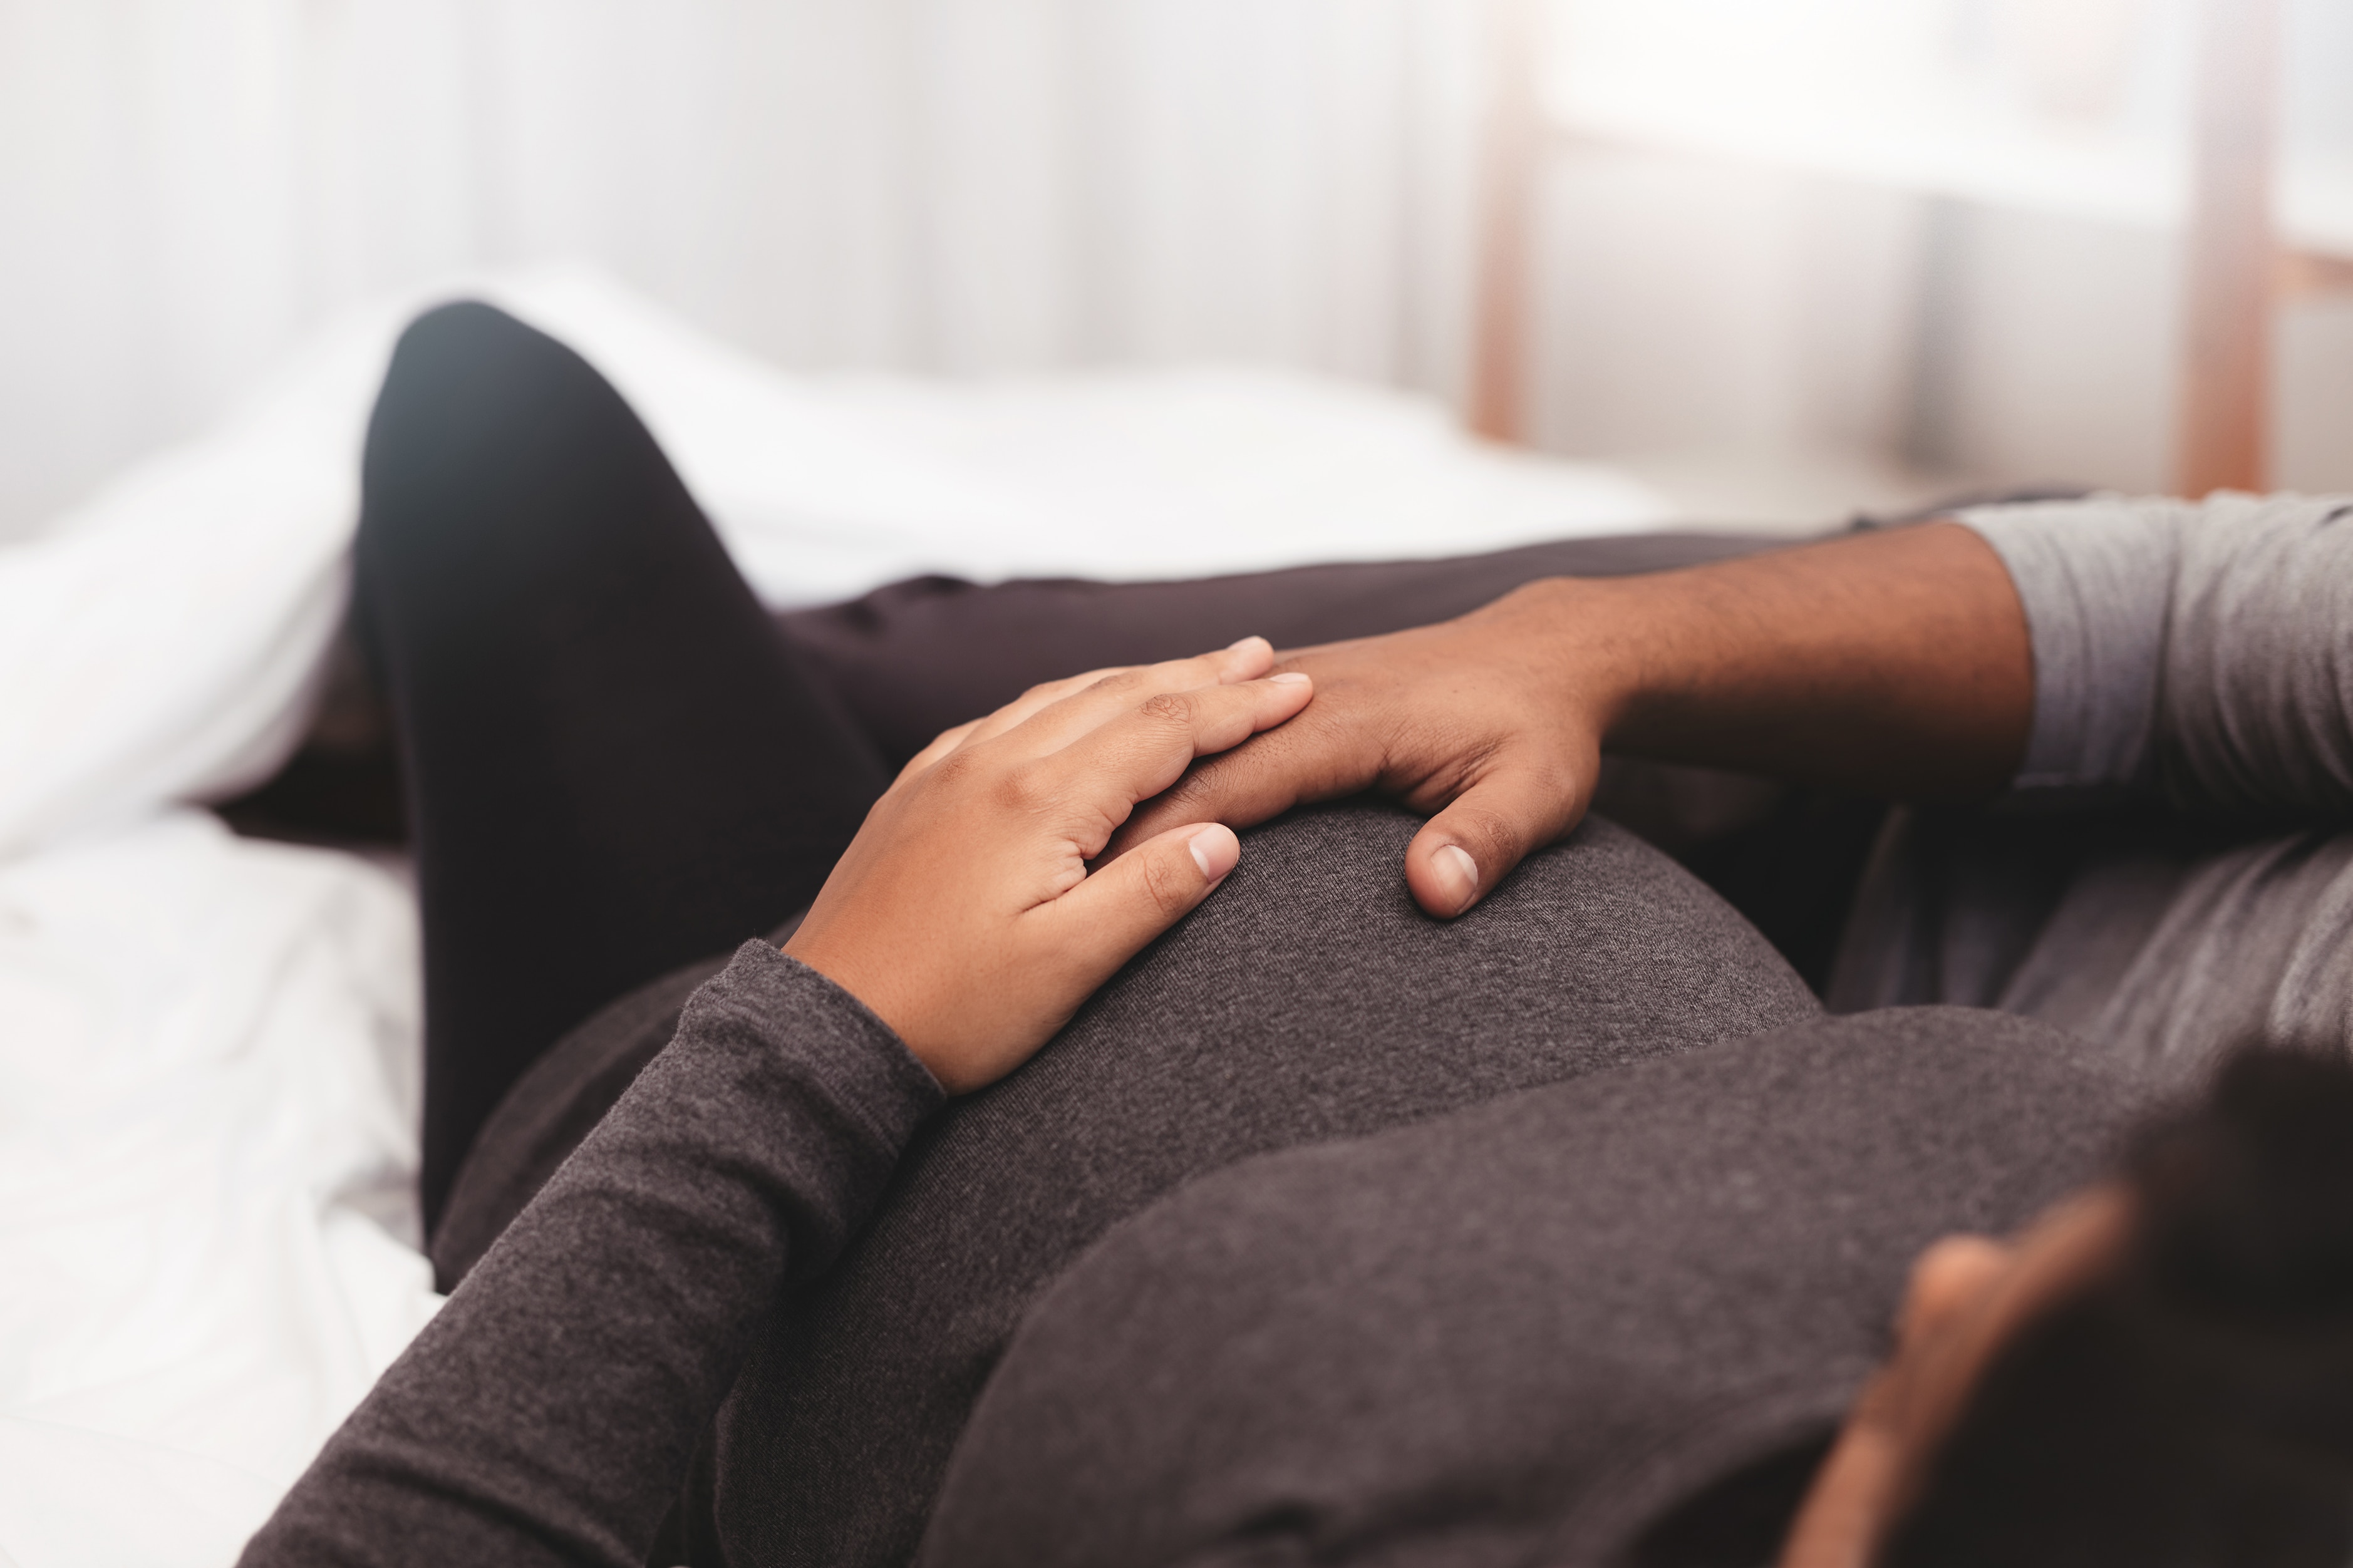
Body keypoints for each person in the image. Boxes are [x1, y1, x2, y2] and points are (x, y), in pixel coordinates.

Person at [237, 302, 2353, 1567]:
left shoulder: (1215, 1483)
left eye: (1975, 1348)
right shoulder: (2122, 1213)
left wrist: (826, 1021)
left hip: (724, 1004)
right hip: (1253, 809)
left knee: (478, 411)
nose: (1959, 1271)